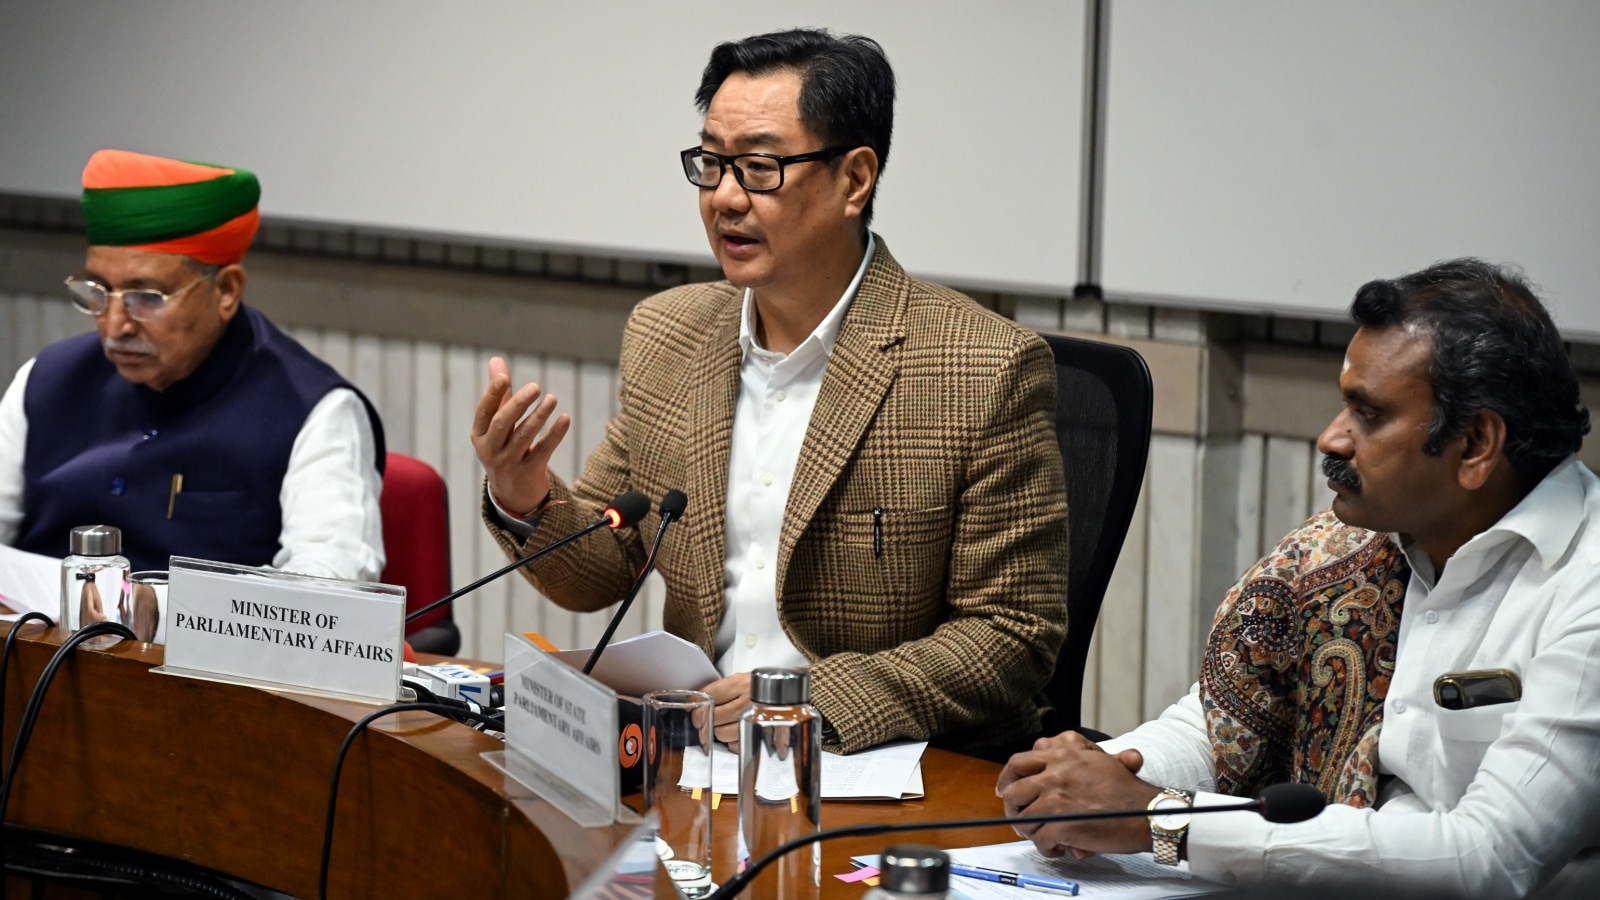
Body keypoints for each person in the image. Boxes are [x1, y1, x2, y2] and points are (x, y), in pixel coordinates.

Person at [473, 29, 1068, 756]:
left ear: (855, 180)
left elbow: (1012, 634)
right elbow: (605, 566)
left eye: (760, 167)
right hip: (697, 756)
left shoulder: (983, 368)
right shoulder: (669, 336)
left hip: (883, 768)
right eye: (712, 164)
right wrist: (525, 495)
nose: (725, 198)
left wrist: (805, 699)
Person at [997, 259, 1599, 898]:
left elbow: (1489, 856)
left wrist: (1158, 820)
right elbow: (1224, 721)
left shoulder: (1583, 590)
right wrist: (1099, 777)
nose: (1331, 439)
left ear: (1476, 444)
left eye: (1368, 415)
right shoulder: (1346, 549)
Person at [0, 149, 386, 582]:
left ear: (226, 290)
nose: (115, 324)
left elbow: (330, 583)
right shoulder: (47, 380)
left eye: (146, 298)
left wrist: (161, 606)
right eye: (98, 291)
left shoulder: (313, 410)